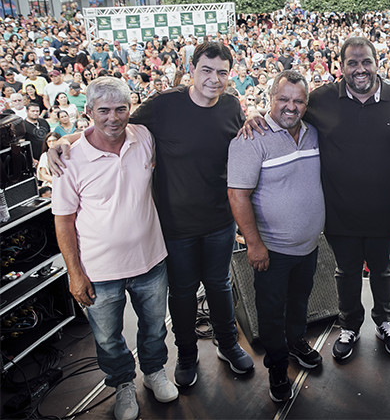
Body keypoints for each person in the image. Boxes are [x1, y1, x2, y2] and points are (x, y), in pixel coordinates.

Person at [50, 41, 253, 389]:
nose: (214, 79)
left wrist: (255, 121)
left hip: (220, 221)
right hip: (176, 227)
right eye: (206, 70)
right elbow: (112, 123)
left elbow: (242, 137)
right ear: (191, 70)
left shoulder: (232, 106)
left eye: (222, 72)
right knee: (183, 293)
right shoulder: (164, 105)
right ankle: (186, 355)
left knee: (220, 285)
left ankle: (228, 344)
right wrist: (65, 139)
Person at [248, 36, 390, 362]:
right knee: (346, 271)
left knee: (383, 269)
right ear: (341, 67)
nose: (360, 69)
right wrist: (257, 114)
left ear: (377, 63)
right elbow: (287, 112)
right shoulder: (322, 100)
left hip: (384, 210)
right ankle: (349, 325)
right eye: (352, 63)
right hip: (338, 211)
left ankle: (386, 322)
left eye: (366, 61)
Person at [52, 77, 179, 420]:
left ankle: (154, 372)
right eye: (104, 110)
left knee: (154, 327)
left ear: (130, 109)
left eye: (121, 109)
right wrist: (74, 274)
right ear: (89, 112)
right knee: (108, 338)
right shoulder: (69, 159)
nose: (113, 117)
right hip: (99, 270)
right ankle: (123, 384)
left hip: (150, 260)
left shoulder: (144, 137)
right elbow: (63, 221)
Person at [227, 71, 324, 404]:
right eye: (283, 99)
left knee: (300, 301)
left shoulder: (313, 133)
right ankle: (278, 367)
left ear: (306, 104)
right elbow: (237, 195)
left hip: (308, 246)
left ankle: (296, 342)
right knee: (271, 312)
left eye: (298, 101)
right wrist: (254, 245)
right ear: (270, 99)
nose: (290, 107)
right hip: (272, 250)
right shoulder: (250, 139)